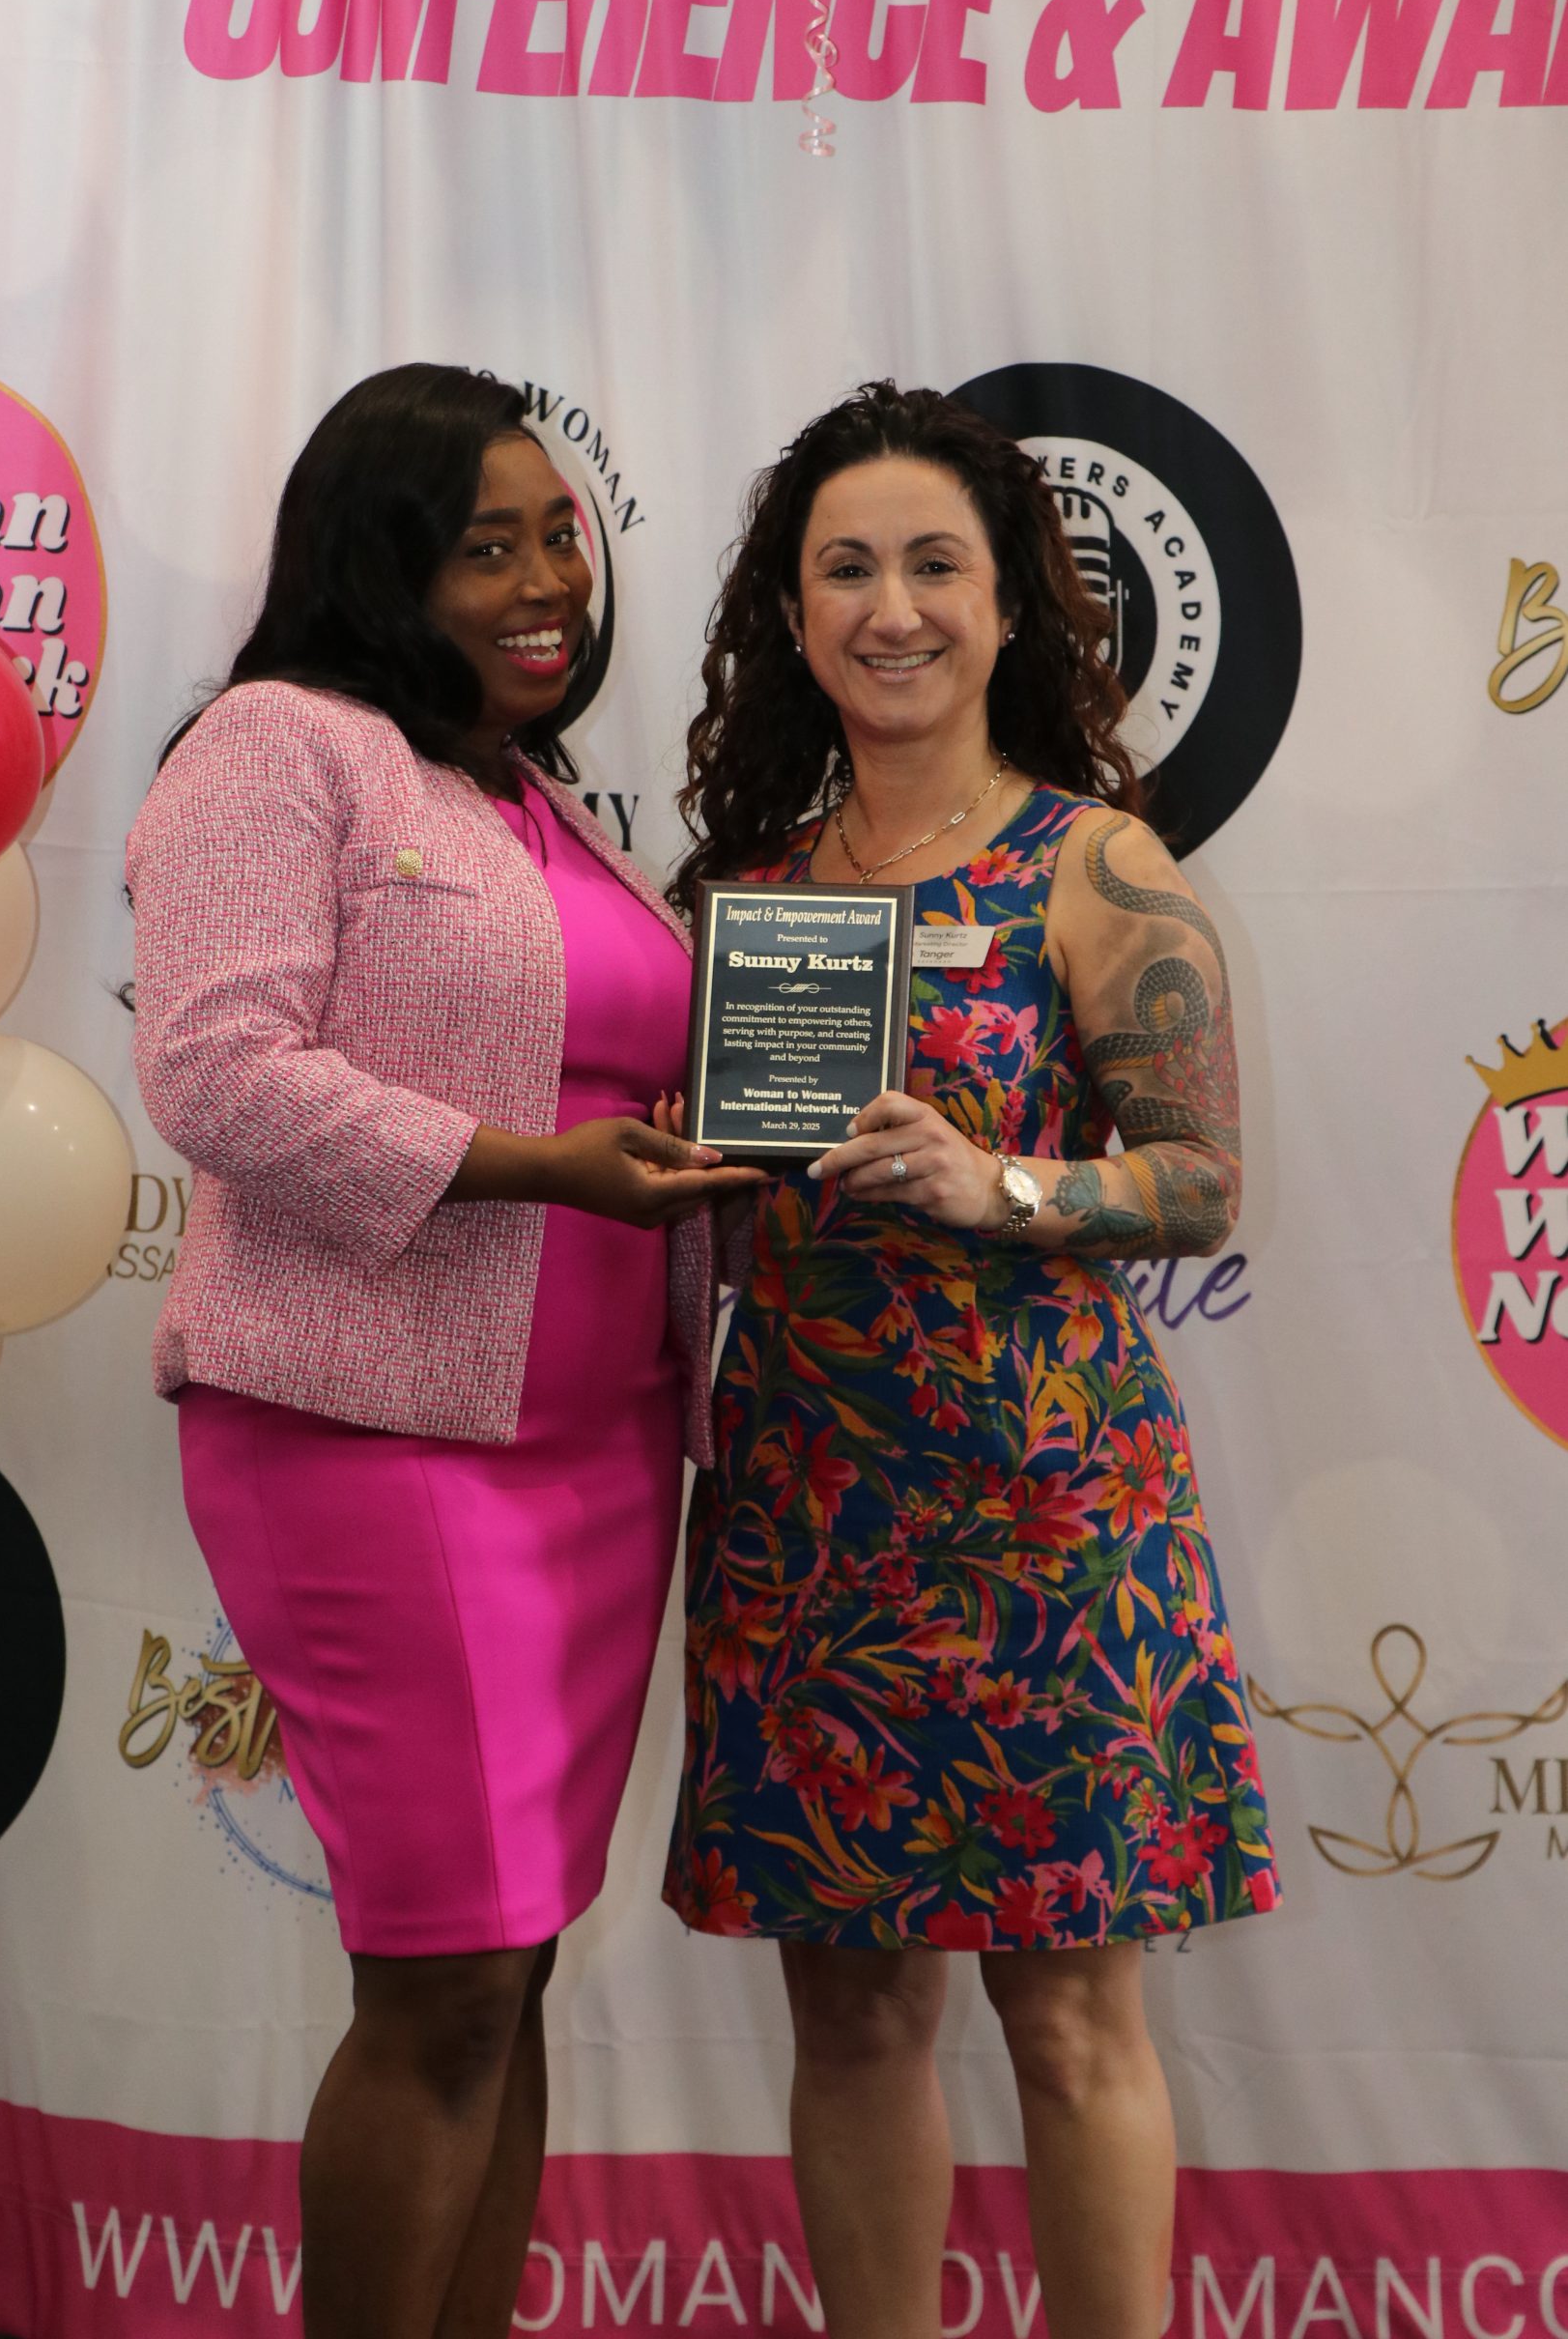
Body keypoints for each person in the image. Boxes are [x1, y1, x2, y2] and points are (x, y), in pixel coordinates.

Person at [127, 363, 759, 2339]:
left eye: (560, 535)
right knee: (448, 1974)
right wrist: (535, 1166)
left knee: (510, 1962)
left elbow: (606, 1073)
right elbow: (217, 1071)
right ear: (378, 564)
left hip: (597, 1454)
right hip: (370, 1440)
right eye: (486, 546)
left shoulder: (520, 788)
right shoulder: (279, 742)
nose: (545, 580)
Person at [663, 382, 1280, 2339]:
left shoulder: (1098, 866)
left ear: (1010, 604)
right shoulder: (748, 897)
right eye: (845, 568)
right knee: (849, 2010)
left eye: (935, 563)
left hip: (1047, 1518)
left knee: (1071, 2013)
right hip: (808, 1514)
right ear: (791, 612)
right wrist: (682, 1174)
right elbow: (714, 1214)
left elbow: (1198, 1183)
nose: (893, 606)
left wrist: (994, 1179)